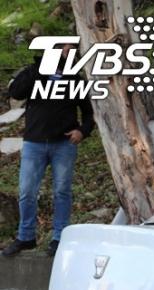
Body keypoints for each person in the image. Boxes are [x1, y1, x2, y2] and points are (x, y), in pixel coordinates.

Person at [3, 43, 94, 257]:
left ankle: (59, 237)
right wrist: (38, 68)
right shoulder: (35, 73)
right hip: (34, 143)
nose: (67, 54)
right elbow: (15, 92)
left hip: (63, 145)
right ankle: (26, 237)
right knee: (27, 192)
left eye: (71, 51)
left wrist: (82, 131)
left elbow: (89, 113)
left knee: (61, 191)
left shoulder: (75, 80)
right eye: (64, 50)